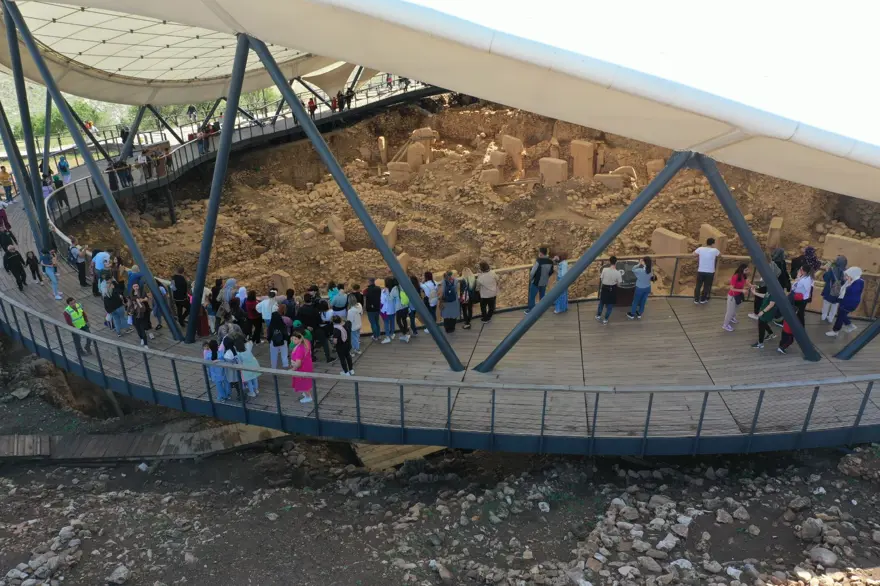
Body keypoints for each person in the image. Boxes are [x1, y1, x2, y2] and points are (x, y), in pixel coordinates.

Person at [826, 267, 864, 337]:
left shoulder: (858, 282)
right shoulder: (855, 280)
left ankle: (835, 331)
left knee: (840, 316)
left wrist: (849, 283)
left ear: (852, 275)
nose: (846, 276)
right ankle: (850, 325)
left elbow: (851, 291)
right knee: (841, 314)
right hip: (846, 300)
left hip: (849, 303)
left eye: (847, 275)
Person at [721, 263, 750, 332]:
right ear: (742, 270)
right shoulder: (735, 277)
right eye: (746, 270)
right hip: (732, 296)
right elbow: (732, 288)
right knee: (730, 311)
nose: (748, 271)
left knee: (736, 308)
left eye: (747, 269)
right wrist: (742, 290)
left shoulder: (743, 275)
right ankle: (725, 325)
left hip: (739, 295)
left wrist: (751, 285)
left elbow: (745, 281)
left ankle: (732, 318)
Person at [821, 255, 848, 324]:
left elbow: (825, 278)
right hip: (839, 291)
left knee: (826, 304)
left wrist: (827, 271)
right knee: (835, 305)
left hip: (829, 290)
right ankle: (830, 318)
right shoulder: (846, 272)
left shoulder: (832, 269)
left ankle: (823, 316)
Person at [693, 237, 720, 304]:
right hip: (710, 272)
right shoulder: (715, 250)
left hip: (701, 270)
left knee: (698, 285)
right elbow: (720, 255)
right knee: (706, 286)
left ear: (707, 243)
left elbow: (693, 254)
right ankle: (703, 299)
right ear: (713, 244)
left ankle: (696, 300)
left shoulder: (700, 249)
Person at [527, 247, 554, 312]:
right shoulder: (550, 261)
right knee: (542, 296)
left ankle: (531, 310)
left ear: (541, 253)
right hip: (544, 281)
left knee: (532, 296)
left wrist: (531, 279)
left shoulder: (538, 261)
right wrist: (546, 277)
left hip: (536, 282)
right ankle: (541, 310)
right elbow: (551, 271)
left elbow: (533, 272)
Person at [596, 256, 622, 324]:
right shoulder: (618, 273)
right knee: (610, 305)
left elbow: (601, 279)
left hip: (604, 288)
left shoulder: (604, 269)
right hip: (612, 289)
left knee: (601, 303)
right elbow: (619, 284)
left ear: (609, 261)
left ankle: (598, 315)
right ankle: (605, 319)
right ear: (616, 262)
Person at [290, 331, 315, 404]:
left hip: (302, 368)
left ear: (300, 339)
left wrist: (292, 369)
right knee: (305, 381)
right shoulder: (306, 342)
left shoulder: (299, 349)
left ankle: (308, 397)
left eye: (295, 339)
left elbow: (298, 364)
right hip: (307, 365)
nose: (293, 341)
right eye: (292, 339)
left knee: (303, 383)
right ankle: (306, 393)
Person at [392, 278, 410, 342]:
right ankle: (406, 333)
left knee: (398, 321)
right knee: (404, 319)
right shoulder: (403, 286)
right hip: (405, 306)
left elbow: (391, 298)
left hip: (399, 308)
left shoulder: (394, 289)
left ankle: (404, 334)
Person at [380, 279, 396, 343]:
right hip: (393, 309)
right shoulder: (395, 290)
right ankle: (392, 334)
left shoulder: (384, 291)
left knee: (386, 323)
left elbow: (382, 301)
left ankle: (387, 337)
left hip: (386, 310)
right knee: (392, 321)